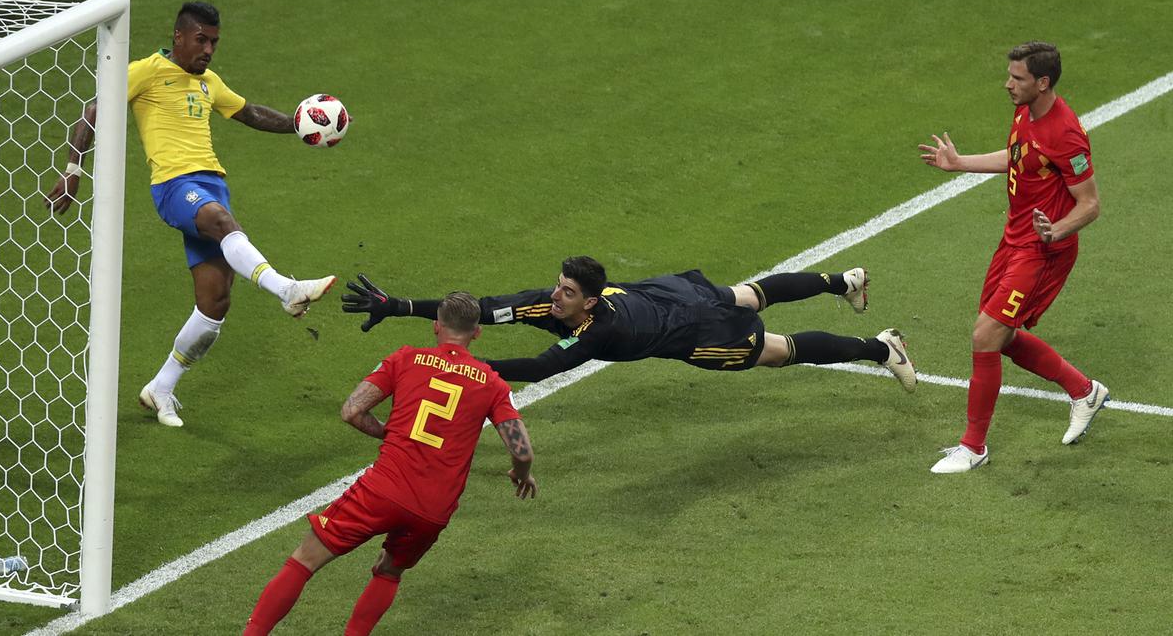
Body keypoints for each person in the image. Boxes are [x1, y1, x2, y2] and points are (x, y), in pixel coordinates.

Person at [45, 1, 336, 427]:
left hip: (211, 185)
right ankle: (286, 289)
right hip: (175, 186)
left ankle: (161, 387)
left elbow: (249, 112)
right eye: (202, 40)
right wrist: (72, 169)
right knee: (222, 223)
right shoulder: (145, 71)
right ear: (178, 37)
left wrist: (300, 123)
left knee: (214, 302)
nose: (209, 50)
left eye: (214, 42)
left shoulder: (209, 82)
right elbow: (94, 111)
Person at [243, 291, 537, 635]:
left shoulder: (405, 359)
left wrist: (391, 434)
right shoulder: (493, 383)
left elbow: (352, 411)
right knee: (388, 570)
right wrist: (521, 474)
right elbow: (522, 451)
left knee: (305, 559)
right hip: (433, 509)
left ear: (436, 326)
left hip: (383, 489)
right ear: (476, 333)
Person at [919, 41, 1109, 474]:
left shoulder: (1066, 133)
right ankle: (1084, 391)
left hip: (1044, 250)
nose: (1008, 84)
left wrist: (1055, 230)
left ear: (1042, 83)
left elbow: (1091, 204)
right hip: (1015, 240)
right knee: (998, 335)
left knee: (986, 335)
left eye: (1017, 78)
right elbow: (1019, 159)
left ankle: (973, 447)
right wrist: (960, 163)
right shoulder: (1026, 112)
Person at [342, 256, 917, 391]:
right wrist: (397, 306)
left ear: (589, 303)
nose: (554, 296)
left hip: (694, 330)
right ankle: (842, 283)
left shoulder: (598, 333)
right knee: (753, 292)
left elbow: (541, 368)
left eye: (566, 293)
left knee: (779, 349)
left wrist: (467, 367)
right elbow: (477, 309)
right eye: (557, 288)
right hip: (668, 295)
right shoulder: (559, 304)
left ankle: (879, 346)